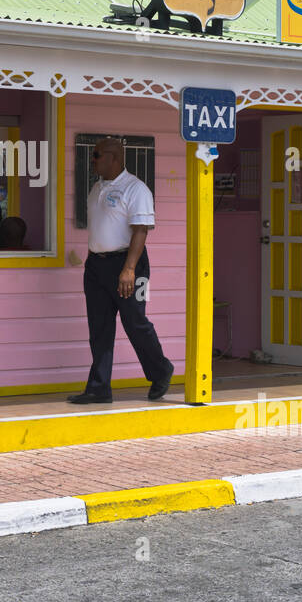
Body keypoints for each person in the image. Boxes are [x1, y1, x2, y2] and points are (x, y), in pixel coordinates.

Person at [69, 137, 173, 405]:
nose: (92, 160)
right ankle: (99, 388)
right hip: (97, 266)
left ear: (113, 157)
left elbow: (140, 230)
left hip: (129, 264)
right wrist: (93, 257)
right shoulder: (96, 188)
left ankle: (160, 370)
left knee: (135, 322)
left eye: (96, 155)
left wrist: (128, 269)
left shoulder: (135, 189)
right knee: (99, 328)